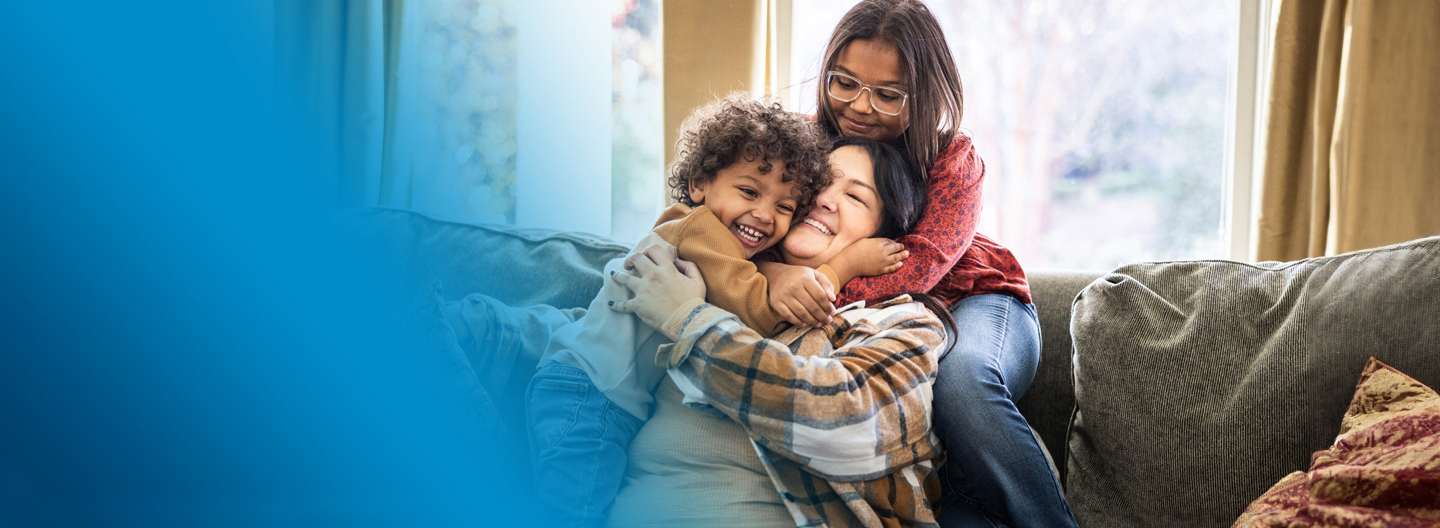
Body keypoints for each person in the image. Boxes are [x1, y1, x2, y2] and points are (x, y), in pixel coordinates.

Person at [754, 1, 1079, 526]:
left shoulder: (953, 158)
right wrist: (771, 273)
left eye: (888, 95)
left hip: (977, 299)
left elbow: (914, 272)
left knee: (962, 384)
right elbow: (750, 227)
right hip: (887, 319)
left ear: (926, 93)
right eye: (844, 83)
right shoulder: (798, 142)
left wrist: (823, 280)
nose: (861, 107)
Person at [518, 94, 901, 528]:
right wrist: (843, 266)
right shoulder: (698, 230)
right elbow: (757, 309)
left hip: (604, 394)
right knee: (570, 513)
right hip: (589, 395)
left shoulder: (719, 243)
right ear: (699, 183)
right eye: (749, 191)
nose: (763, 213)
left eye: (784, 206)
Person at [605, 135, 952, 527]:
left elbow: (847, 420)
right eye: (818, 183)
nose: (823, 199)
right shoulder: (707, 272)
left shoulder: (904, 324)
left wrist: (689, 321)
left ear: (884, 235)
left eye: (856, 197)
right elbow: (600, 336)